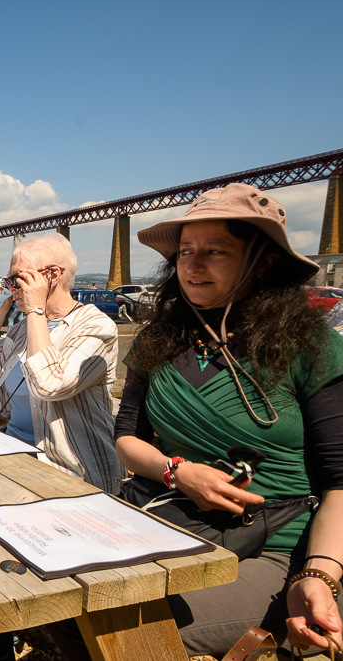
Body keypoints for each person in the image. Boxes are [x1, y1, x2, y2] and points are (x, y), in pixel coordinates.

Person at [61, 183, 343, 658]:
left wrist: (319, 573)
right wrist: (178, 471)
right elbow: (126, 438)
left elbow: (340, 483)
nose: (192, 265)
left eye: (215, 251)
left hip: (281, 545)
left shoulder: (313, 347)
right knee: (59, 603)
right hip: (172, 520)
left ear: (264, 260)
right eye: (186, 251)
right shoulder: (160, 338)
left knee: (124, 626)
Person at [0, 232, 124, 493]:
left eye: (18, 278)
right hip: (16, 453)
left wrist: (35, 310)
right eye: (9, 279)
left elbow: (49, 385)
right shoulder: (23, 329)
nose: (11, 286)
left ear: (52, 275)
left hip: (71, 471)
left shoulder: (96, 327)